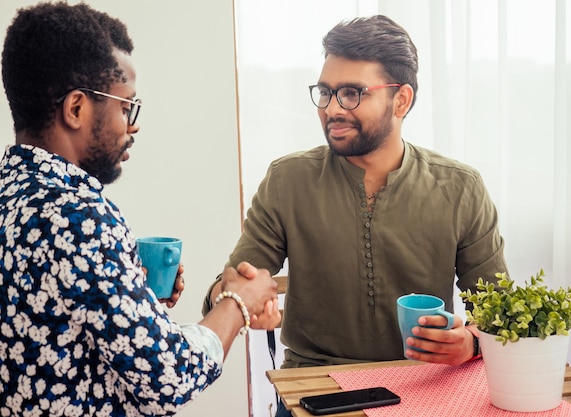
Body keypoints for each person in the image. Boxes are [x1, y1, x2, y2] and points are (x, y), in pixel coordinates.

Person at [203, 14, 509, 416]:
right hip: (314, 391)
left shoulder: (460, 187)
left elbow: (501, 316)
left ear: (401, 100)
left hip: (423, 389)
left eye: (351, 93)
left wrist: (470, 341)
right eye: (325, 92)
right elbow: (225, 290)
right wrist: (234, 302)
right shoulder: (288, 179)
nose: (332, 109)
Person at [0, 3, 280, 416]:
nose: (133, 125)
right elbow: (170, 377)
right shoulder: (79, 217)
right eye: (126, 105)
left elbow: (49, 326)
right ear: (76, 108)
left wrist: (131, 293)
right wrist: (237, 302)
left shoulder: (13, 194)